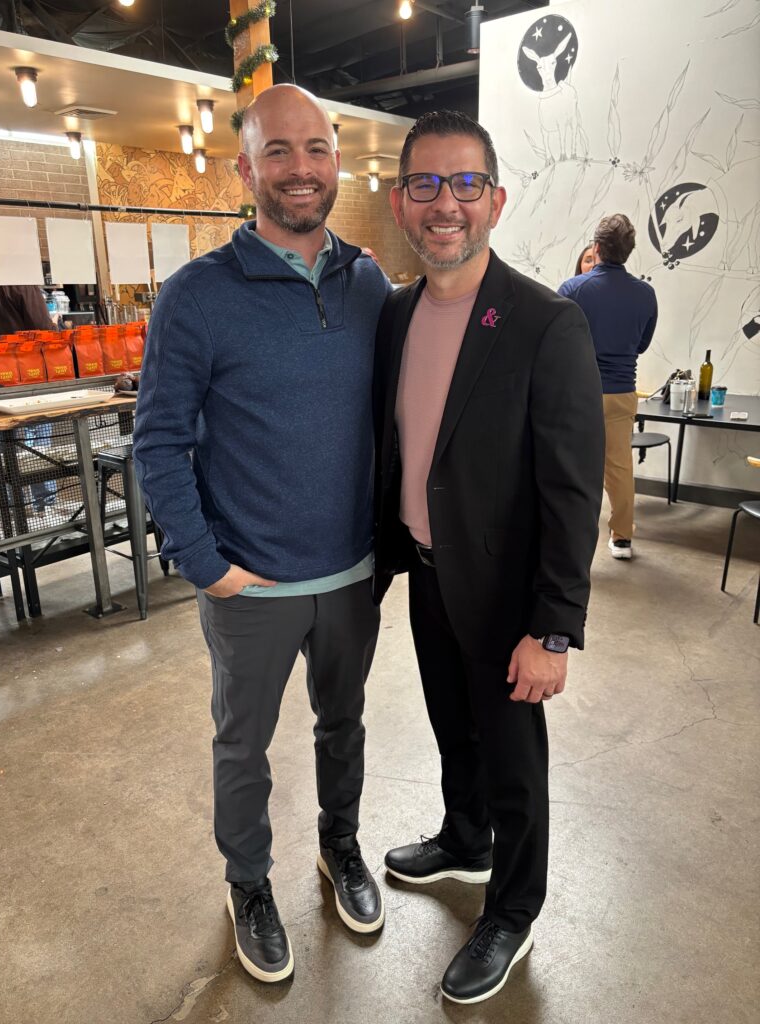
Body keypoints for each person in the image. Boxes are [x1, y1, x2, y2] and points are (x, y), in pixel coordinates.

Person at [133, 84, 392, 984]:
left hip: (353, 572)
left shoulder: (369, 285)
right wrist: (205, 564)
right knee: (242, 747)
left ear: (337, 162)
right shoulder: (195, 298)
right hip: (252, 585)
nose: (299, 168)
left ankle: (340, 846)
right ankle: (248, 882)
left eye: (315, 149)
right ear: (245, 169)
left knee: (344, 724)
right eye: (277, 151)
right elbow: (158, 443)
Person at [373, 110, 604, 1005]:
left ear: (496, 201)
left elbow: (572, 492)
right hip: (430, 575)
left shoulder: (545, 323)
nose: (446, 204)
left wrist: (554, 629)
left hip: (509, 595)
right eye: (425, 184)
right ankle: (465, 840)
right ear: (400, 201)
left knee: (514, 761)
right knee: (450, 727)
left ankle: (512, 909)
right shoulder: (396, 314)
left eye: (466, 183)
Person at [558, 214, 657, 559]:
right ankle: (622, 538)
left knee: (571, 467)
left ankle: (570, 537)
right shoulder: (646, 294)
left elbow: (556, 342)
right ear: (628, 251)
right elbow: (641, 344)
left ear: (597, 247)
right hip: (622, 391)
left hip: (578, 392)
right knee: (619, 468)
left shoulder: (573, 289)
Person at [0, 284, 57, 514]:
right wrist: (55, 325)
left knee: (7, 445)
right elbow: (42, 328)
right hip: (28, 372)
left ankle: (16, 506)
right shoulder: (20, 281)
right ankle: (43, 506)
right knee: (38, 442)